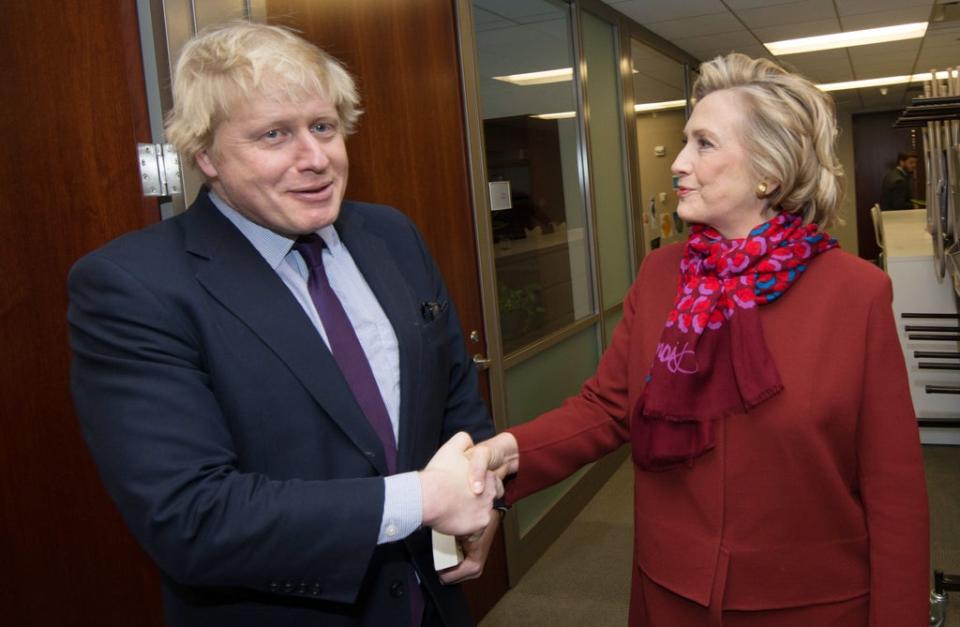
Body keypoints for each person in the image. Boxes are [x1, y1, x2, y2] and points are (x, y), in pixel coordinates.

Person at [68, 22, 501, 627]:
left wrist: (483, 500)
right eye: (274, 135)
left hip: (432, 600)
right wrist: (425, 500)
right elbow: (192, 517)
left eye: (323, 127)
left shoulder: (390, 236)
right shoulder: (134, 287)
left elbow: (455, 394)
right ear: (205, 155)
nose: (316, 158)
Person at [475, 53, 929, 626]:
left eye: (704, 144)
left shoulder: (856, 293)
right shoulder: (662, 275)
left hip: (809, 603)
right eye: (685, 141)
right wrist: (503, 455)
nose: (679, 163)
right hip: (670, 593)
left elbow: (894, 490)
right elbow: (609, 407)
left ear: (770, 171)